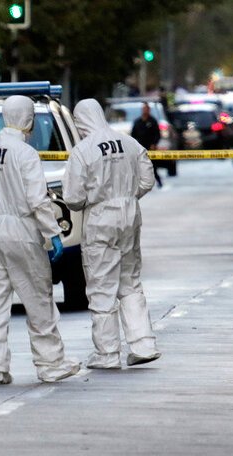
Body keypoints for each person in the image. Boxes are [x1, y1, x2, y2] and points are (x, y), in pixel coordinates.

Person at [0, 95, 80, 385]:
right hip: (19, 229)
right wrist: (52, 233)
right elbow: (37, 199)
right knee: (38, 300)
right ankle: (51, 364)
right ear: (28, 120)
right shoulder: (25, 153)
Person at [63, 98, 161, 369]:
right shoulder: (129, 142)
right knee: (130, 282)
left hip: (100, 218)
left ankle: (107, 353)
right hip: (130, 214)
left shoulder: (82, 150)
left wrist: (93, 201)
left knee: (101, 286)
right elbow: (147, 179)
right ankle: (144, 344)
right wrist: (128, 197)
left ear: (80, 120)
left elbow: (72, 197)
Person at [130, 102, 163, 188]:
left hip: (150, 148)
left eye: (146, 109)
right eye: (144, 109)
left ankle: (158, 181)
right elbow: (133, 135)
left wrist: (154, 144)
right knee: (138, 166)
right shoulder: (137, 122)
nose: (145, 110)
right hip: (140, 148)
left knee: (152, 166)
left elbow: (157, 134)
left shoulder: (153, 121)